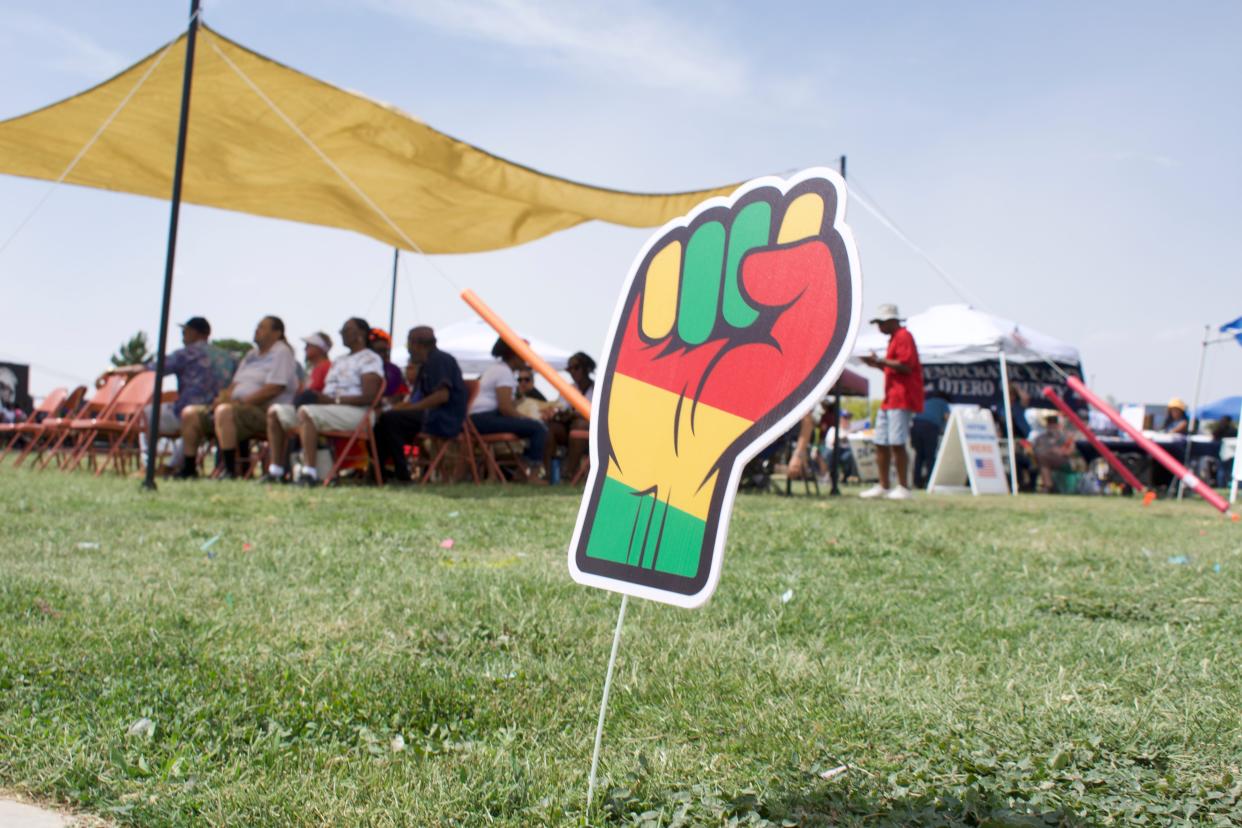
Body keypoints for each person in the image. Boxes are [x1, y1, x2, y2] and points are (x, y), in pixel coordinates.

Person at [266, 317, 384, 484]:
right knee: (275, 412)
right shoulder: (339, 360)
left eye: (346, 329)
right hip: (329, 408)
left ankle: (310, 473)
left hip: (358, 413)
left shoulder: (370, 359)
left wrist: (332, 400)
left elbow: (369, 397)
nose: (341, 333)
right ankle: (276, 471)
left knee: (307, 412)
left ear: (361, 334)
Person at [179, 316, 299, 479]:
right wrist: (222, 398)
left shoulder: (282, 352)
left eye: (262, 327)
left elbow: (274, 388)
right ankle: (189, 469)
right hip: (237, 408)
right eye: (257, 326)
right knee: (190, 413)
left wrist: (239, 403)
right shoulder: (251, 355)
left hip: (265, 412)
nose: (257, 330)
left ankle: (229, 470)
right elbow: (235, 384)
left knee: (224, 411)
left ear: (277, 333)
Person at [372, 325, 468, 483]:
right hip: (431, 415)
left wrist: (410, 407)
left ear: (417, 344)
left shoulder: (440, 360)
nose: (408, 350)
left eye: (408, 345)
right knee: (383, 421)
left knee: (391, 420)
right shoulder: (427, 364)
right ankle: (379, 473)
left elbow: (442, 396)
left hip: (444, 418)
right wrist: (405, 406)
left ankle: (401, 474)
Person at [141, 316, 235, 470]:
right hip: (219, 416)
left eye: (185, 331)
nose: (183, 335)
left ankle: (149, 465)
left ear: (195, 332)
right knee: (187, 420)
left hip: (191, 414)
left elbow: (152, 368)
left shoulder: (186, 354)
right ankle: (176, 465)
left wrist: (113, 371)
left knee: (147, 414)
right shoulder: (228, 357)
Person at [858, 304, 923, 499]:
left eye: (881, 322)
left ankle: (904, 487)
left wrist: (880, 361)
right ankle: (884, 485)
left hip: (901, 399)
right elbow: (894, 370)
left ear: (891, 321)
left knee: (897, 442)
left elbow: (906, 366)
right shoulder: (894, 339)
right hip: (890, 399)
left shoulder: (904, 336)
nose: (879, 327)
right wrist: (878, 363)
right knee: (881, 442)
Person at [471, 337, 548, 483]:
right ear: (514, 355)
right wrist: (528, 419)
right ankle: (532, 475)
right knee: (539, 428)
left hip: (476, 420)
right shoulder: (504, 373)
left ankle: (522, 472)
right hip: (483, 420)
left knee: (532, 427)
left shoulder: (497, 369)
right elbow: (505, 408)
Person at [542, 352, 594, 483]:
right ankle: (549, 474)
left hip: (591, 435)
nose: (572, 371)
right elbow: (561, 407)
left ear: (587, 368)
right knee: (550, 429)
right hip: (569, 429)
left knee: (579, 426)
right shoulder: (569, 388)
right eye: (569, 369)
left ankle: (568, 473)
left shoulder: (598, 388)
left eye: (576, 367)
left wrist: (575, 414)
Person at [1032, 413, 1080, 493]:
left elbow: (1071, 451)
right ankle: (1048, 485)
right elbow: (1037, 450)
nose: (1052, 427)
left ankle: (1047, 486)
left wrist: (1059, 451)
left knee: (1042, 458)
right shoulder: (1041, 438)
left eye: (1054, 424)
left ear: (1059, 425)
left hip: (1066, 461)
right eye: (1050, 424)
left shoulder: (1066, 437)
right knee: (1042, 458)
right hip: (1045, 460)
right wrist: (1051, 451)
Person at [911, 390, 950, 488]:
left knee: (919, 456)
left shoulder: (926, 401)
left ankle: (917, 483)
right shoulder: (943, 403)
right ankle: (930, 482)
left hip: (916, 425)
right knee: (930, 456)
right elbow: (947, 418)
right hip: (930, 428)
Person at [368, 328, 409, 402]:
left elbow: (402, 394)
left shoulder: (394, 370)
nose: (384, 354)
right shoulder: (359, 368)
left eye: (386, 350)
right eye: (379, 351)